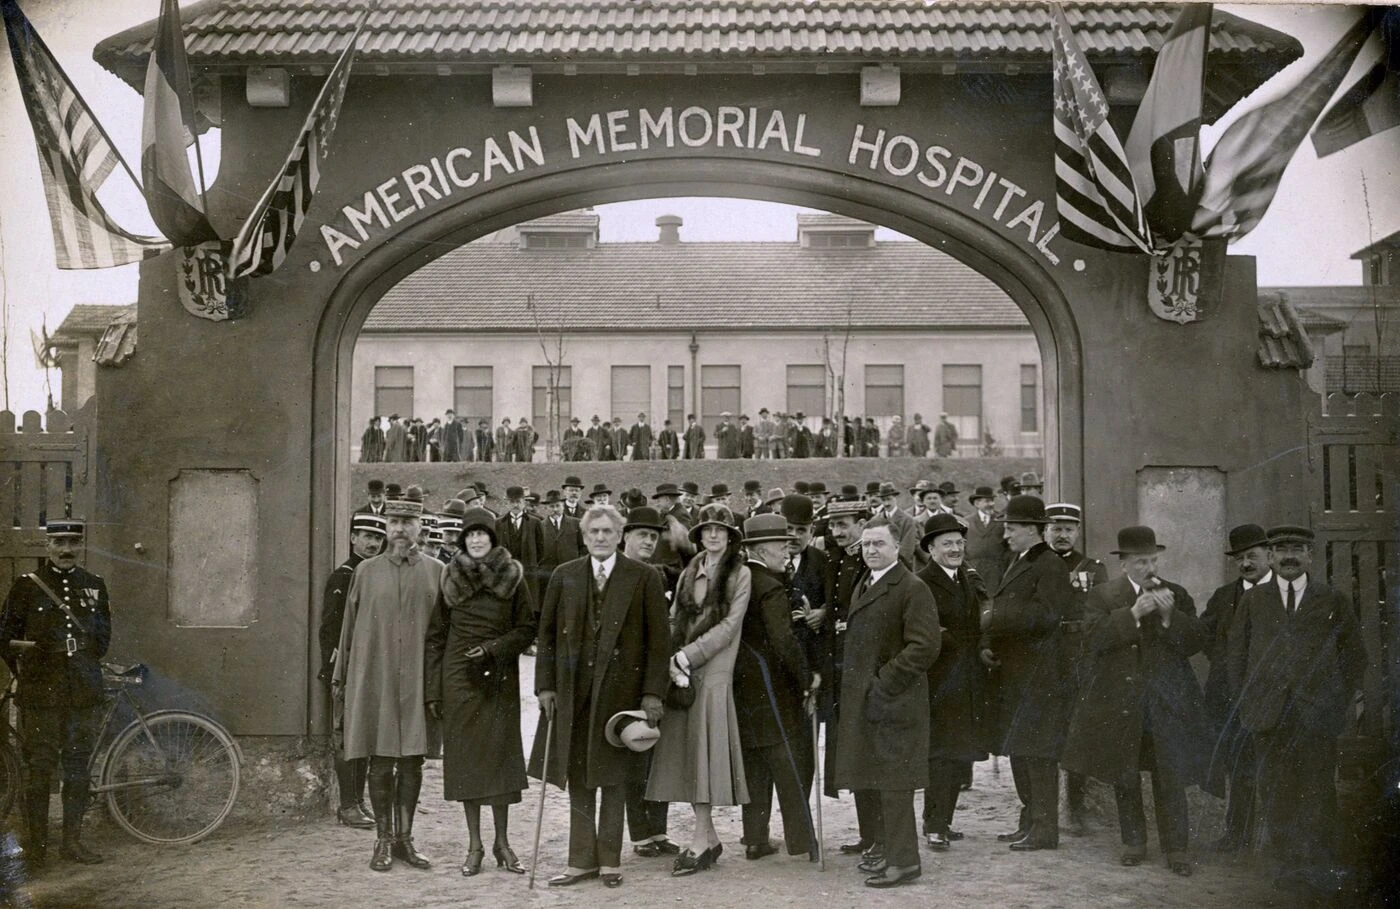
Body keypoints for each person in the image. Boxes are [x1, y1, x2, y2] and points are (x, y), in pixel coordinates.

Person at [530, 506, 671, 890]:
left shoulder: (643, 577)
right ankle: (580, 862)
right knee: (578, 777)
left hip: (620, 698)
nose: (601, 537)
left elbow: (660, 643)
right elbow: (546, 637)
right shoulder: (564, 575)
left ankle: (609, 861)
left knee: (613, 779)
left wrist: (652, 694)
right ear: (585, 535)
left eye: (609, 531)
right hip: (574, 695)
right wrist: (545, 686)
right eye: (595, 531)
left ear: (620, 534)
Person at [1060, 526, 1208, 877]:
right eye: (1141, 562)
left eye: (1153, 560)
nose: (1150, 568)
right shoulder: (1103, 595)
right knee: (1124, 772)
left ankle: (1177, 848)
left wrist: (1172, 617)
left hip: (1164, 702)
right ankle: (1134, 842)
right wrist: (1133, 615)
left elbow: (1195, 643)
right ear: (1124, 564)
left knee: (1169, 773)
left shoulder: (1176, 593)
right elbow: (1092, 641)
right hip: (1121, 701)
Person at [1227, 525, 1365, 896]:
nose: (1289, 556)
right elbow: (1236, 658)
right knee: (1275, 791)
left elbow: (1354, 658)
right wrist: (1249, 703)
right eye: (1282, 550)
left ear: (1310, 555)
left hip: (1314, 718)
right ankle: (1288, 867)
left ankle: (1317, 867)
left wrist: (1333, 702)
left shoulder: (1332, 600)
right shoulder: (1254, 601)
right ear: (1271, 557)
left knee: (1317, 790)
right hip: (1268, 717)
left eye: (1297, 549)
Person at [333, 492, 442, 872]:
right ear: (386, 527)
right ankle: (382, 840)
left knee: (412, 763)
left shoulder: (436, 571)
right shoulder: (365, 572)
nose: (399, 529)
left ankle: (405, 841)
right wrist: (341, 676)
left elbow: (446, 634)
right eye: (393, 522)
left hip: (417, 682)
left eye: (407, 523)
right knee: (380, 763)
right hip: (375, 679)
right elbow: (348, 627)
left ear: (420, 528)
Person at [426, 508, 537, 877]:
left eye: (483, 535)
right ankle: (474, 845)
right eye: (470, 535)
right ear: (463, 539)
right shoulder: (450, 578)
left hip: (498, 678)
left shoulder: (513, 578)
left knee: (499, 761)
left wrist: (493, 649)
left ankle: (502, 843)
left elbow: (526, 629)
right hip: (458, 679)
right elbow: (436, 637)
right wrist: (434, 690)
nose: (476, 541)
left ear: (493, 539)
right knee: (467, 763)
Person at [832, 518, 940, 888]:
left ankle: (905, 863)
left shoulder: (911, 587)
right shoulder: (868, 581)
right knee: (879, 781)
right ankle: (891, 855)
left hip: (894, 703)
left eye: (878, 544)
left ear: (897, 547)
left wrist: (883, 685)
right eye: (866, 545)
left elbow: (924, 646)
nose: (871, 551)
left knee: (895, 785)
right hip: (871, 703)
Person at [646, 504, 751, 875]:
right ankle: (706, 838)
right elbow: (676, 614)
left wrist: (687, 656)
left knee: (703, 756)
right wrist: (672, 657)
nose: (713, 535)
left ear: (731, 536)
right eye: (707, 529)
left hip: (714, 669)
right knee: (691, 757)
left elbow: (729, 628)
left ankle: (702, 839)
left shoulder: (741, 574)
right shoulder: (691, 570)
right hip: (683, 668)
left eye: (721, 529)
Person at [0, 519, 111, 868]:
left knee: (78, 766)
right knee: (40, 768)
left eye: (73, 543)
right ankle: (37, 848)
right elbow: (5, 639)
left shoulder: (94, 585)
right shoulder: (26, 586)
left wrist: (77, 657)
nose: (66, 550)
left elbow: (102, 642)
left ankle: (73, 844)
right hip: (40, 694)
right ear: (47, 546)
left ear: (81, 546)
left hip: (81, 693)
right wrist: (32, 666)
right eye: (59, 542)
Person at [981, 494, 1073, 853]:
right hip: (1017, 671)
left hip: (1039, 675)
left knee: (1038, 752)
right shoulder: (1020, 560)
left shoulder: (1049, 564)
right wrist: (991, 640)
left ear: (1034, 530)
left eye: (1013, 528)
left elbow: (1047, 616)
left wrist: (996, 620)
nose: (1007, 535)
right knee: (1020, 748)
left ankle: (1045, 829)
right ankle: (1030, 821)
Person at [735, 513, 820, 861]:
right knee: (788, 762)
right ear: (761, 548)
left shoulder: (740, 578)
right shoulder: (769, 585)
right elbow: (783, 640)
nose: (786, 552)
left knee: (754, 760)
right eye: (780, 545)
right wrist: (806, 677)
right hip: (771, 685)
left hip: (742, 684)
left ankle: (755, 839)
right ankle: (802, 842)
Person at [914, 514, 989, 851]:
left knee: (959, 754)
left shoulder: (966, 579)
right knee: (942, 753)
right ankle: (934, 824)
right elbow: (926, 633)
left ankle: (944, 820)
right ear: (931, 549)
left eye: (959, 543)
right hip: (940, 681)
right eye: (947, 544)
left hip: (967, 677)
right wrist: (958, 643)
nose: (956, 549)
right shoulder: (923, 583)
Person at [1199, 523, 1271, 853]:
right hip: (1231, 698)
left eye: (1252, 556)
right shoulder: (1224, 597)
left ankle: (1281, 840)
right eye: (1239, 558)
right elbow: (1205, 636)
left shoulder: (1285, 594)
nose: (1245, 563)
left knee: (1276, 766)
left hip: (1273, 697)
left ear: (1269, 555)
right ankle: (1237, 835)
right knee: (1239, 766)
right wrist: (1227, 663)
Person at [1042, 502, 1108, 836]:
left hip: (1079, 655)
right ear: (1046, 530)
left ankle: (1074, 807)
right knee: (1043, 730)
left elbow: (1103, 612)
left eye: (1069, 528)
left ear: (1078, 531)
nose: (1063, 534)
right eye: (1056, 528)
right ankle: (1040, 809)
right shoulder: (1034, 565)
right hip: (1043, 656)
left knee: (1076, 729)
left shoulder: (1094, 568)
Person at [618, 507, 681, 856]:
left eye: (654, 537)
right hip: (624, 680)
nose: (648, 541)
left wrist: (654, 689)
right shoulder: (616, 572)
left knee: (657, 756)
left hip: (651, 680)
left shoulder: (656, 576)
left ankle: (657, 830)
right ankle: (640, 834)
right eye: (642, 534)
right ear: (625, 535)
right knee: (634, 757)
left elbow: (660, 640)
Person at [319, 512, 387, 830]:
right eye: (366, 536)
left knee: (363, 736)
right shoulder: (344, 575)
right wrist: (336, 673)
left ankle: (358, 802)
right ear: (352, 539)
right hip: (345, 670)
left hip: (368, 668)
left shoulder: (374, 573)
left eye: (377, 538)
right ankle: (347, 805)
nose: (373, 543)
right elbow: (331, 629)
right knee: (345, 736)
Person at [496, 487, 545, 607]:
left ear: (524, 502)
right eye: (512, 502)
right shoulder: (498, 523)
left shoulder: (535, 522)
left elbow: (541, 550)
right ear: (507, 503)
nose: (515, 505)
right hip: (506, 572)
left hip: (528, 572)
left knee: (528, 606)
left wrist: (531, 563)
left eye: (518, 501)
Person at [539, 491, 584, 590]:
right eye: (551, 506)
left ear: (563, 506)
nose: (555, 509)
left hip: (571, 572)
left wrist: (579, 566)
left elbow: (583, 548)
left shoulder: (576, 523)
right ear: (546, 508)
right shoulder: (540, 526)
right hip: (548, 575)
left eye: (558, 506)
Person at [963, 486, 1007, 584]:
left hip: (996, 572)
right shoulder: (967, 521)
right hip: (973, 571)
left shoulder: (1001, 520)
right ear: (977, 503)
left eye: (992, 500)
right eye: (987, 501)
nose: (991, 504)